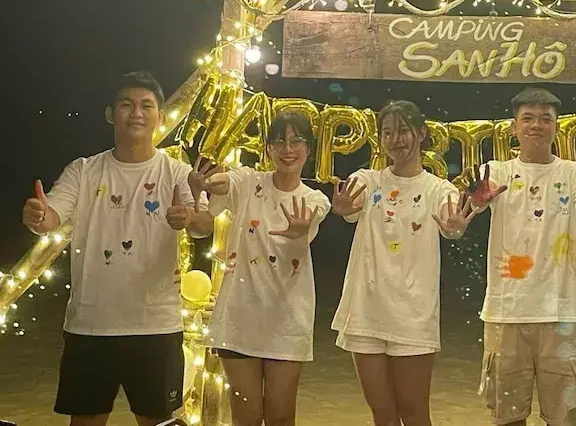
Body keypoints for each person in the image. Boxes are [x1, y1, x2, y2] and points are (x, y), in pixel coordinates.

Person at [20, 71, 214, 426]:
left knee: (158, 420)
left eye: (146, 106)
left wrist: (188, 217)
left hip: (155, 325)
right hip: (90, 326)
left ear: (159, 116)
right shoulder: (84, 171)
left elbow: (204, 226)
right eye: (126, 105)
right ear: (111, 114)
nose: (136, 113)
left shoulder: (175, 172)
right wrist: (38, 216)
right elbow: (51, 216)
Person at [474, 87, 576, 426]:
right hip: (506, 313)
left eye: (545, 119)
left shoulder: (574, 173)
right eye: (527, 119)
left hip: (563, 314)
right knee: (507, 417)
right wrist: (476, 200)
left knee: (565, 418)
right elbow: (471, 206)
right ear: (514, 127)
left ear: (557, 126)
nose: (536, 125)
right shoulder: (496, 171)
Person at [331, 100, 480, 426]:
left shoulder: (437, 188)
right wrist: (342, 209)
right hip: (366, 310)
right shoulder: (368, 180)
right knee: (382, 413)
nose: (395, 140)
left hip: (413, 315)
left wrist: (455, 225)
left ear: (421, 133)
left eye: (402, 130)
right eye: (387, 133)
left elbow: (451, 221)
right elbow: (349, 206)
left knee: (414, 413)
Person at [195, 110, 332, 426]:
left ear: (308, 149)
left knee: (281, 417)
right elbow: (222, 183)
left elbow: (307, 225)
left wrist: (300, 230)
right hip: (240, 318)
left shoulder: (314, 199)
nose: (288, 149)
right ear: (268, 148)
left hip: (287, 321)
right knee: (246, 417)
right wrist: (206, 181)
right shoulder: (248, 181)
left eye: (297, 141)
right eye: (279, 141)